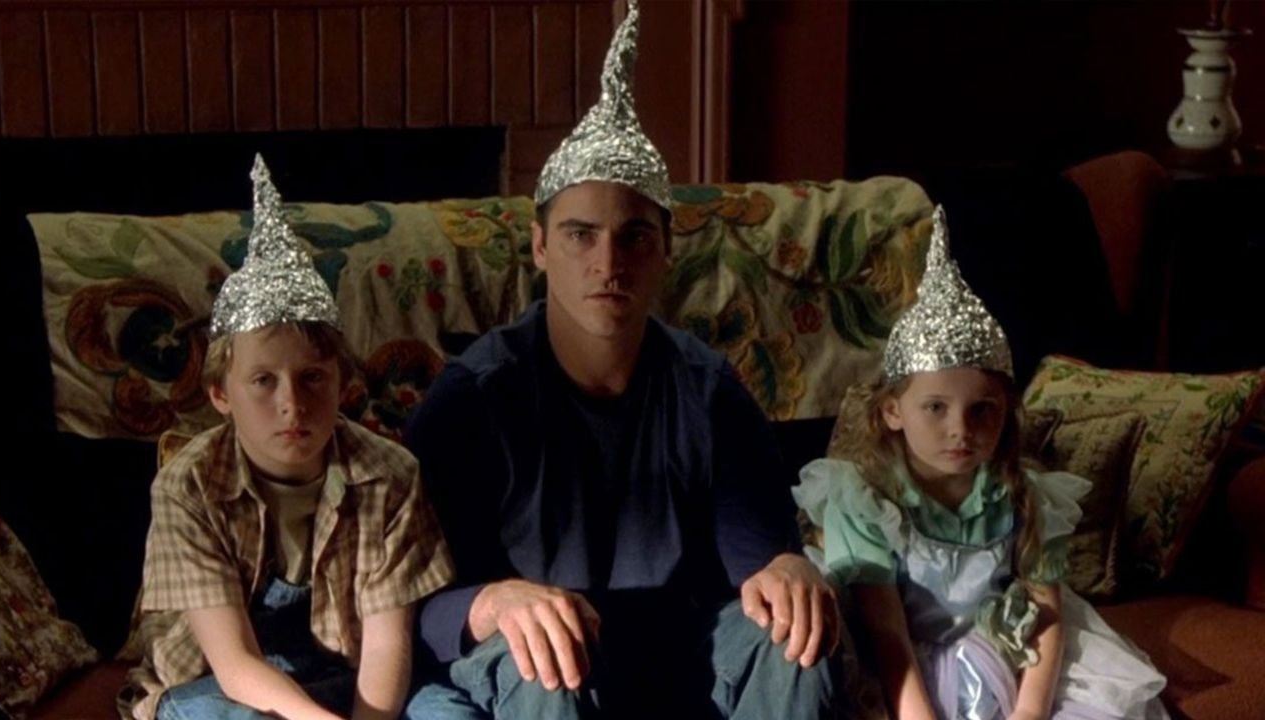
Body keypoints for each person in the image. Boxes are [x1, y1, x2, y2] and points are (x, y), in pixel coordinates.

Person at [401, 2, 839, 718]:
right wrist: (491, 602)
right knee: (545, 658)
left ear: (666, 251)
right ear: (540, 247)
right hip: (535, 667)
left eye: (634, 237)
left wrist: (790, 571)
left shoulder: (707, 391)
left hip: (679, 655)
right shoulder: (477, 396)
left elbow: (761, 569)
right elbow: (404, 606)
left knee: (794, 638)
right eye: (581, 235)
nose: (609, 263)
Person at [794, 206, 1169, 720]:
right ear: (892, 411)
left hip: (1003, 656)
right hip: (901, 673)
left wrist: (1029, 712)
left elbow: (1046, 615)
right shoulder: (864, 500)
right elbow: (886, 630)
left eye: (982, 410)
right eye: (935, 407)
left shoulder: (1026, 496)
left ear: (1006, 413)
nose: (960, 429)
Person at [123, 155, 453, 720]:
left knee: (450, 711)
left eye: (312, 378)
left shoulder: (390, 475)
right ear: (220, 394)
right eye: (262, 381)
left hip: (348, 671)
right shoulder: (188, 486)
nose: (292, 404)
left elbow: (385, 647)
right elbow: (234, 663)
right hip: (224, 682)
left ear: (344, 383)